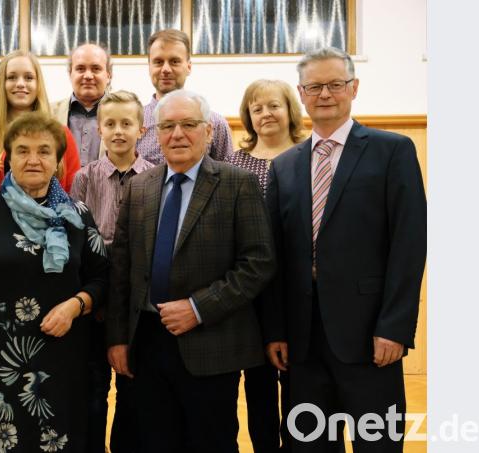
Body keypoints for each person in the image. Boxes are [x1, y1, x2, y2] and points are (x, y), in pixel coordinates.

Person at [262, 47, 427, 452]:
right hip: (302, 342)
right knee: (309, 444)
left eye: (336, 84)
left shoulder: (393, 150)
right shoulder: (283, 167)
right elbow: (275, 258)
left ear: (354, 87)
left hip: (370, 337)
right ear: (301, 93)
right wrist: (277, 330)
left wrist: (395, 327)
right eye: (315, 86)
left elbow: (409, 244)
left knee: (378, 443)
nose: (325, 94)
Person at [106, 89, 276, 453]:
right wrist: (119, 338)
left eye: (188, 124)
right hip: (148, 346)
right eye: (167, 126)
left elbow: (258, 263)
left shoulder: (237, 184)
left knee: (210, 443)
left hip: (211, 346)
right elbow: (122, 270)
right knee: (154, 441)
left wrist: (198, 308)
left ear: (209, 132)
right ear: (155, 133)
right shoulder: (139, 188)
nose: (177, 134)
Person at [0, 112, 109, 452]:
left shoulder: (78, 215)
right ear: (8, 159)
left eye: (44, 150)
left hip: (63, 360)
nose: (33, 159)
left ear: (59, 161)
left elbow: (101, 279)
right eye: (22, 150)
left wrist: (75, 305)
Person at [70, 90, 153, 453]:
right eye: (110, 124)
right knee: (91, 390)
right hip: (94, 297)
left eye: (126, 123)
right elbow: (78, 240)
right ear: (99, 129)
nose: (118, 131)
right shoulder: (84, 178)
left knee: (134, 392)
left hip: (137, 301)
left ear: (142, 129)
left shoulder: (155, 177)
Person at [227, 79, 305, 453]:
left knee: (298, 384)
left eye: (273, 105)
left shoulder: (309, 155)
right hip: (249, 294)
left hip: (297, 289)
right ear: (248, 117)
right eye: (257, 108)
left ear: (290, 110)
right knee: (257, 386)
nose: (265, 114)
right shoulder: (234, 162)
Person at [0, 50, 81, 215]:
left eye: (29, 77)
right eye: (12, 77)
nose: (20, 83)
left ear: (38, 84)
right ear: (1, 84)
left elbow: (72, 192)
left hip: (49, 232)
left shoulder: (62, 134)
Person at [136, 29, 234, 165]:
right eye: (158, 62)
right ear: (149, 67)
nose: (165, 69)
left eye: (174, 61)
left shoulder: (216, 124)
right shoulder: (134, 123)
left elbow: (228, 179)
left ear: (188, 66)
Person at [52, 43, 112, 166]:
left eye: (96, 68)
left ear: (108, 75)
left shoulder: (124, 115)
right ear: (70, 74)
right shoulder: (49, 114)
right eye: (80, 68)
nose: (88, 76)